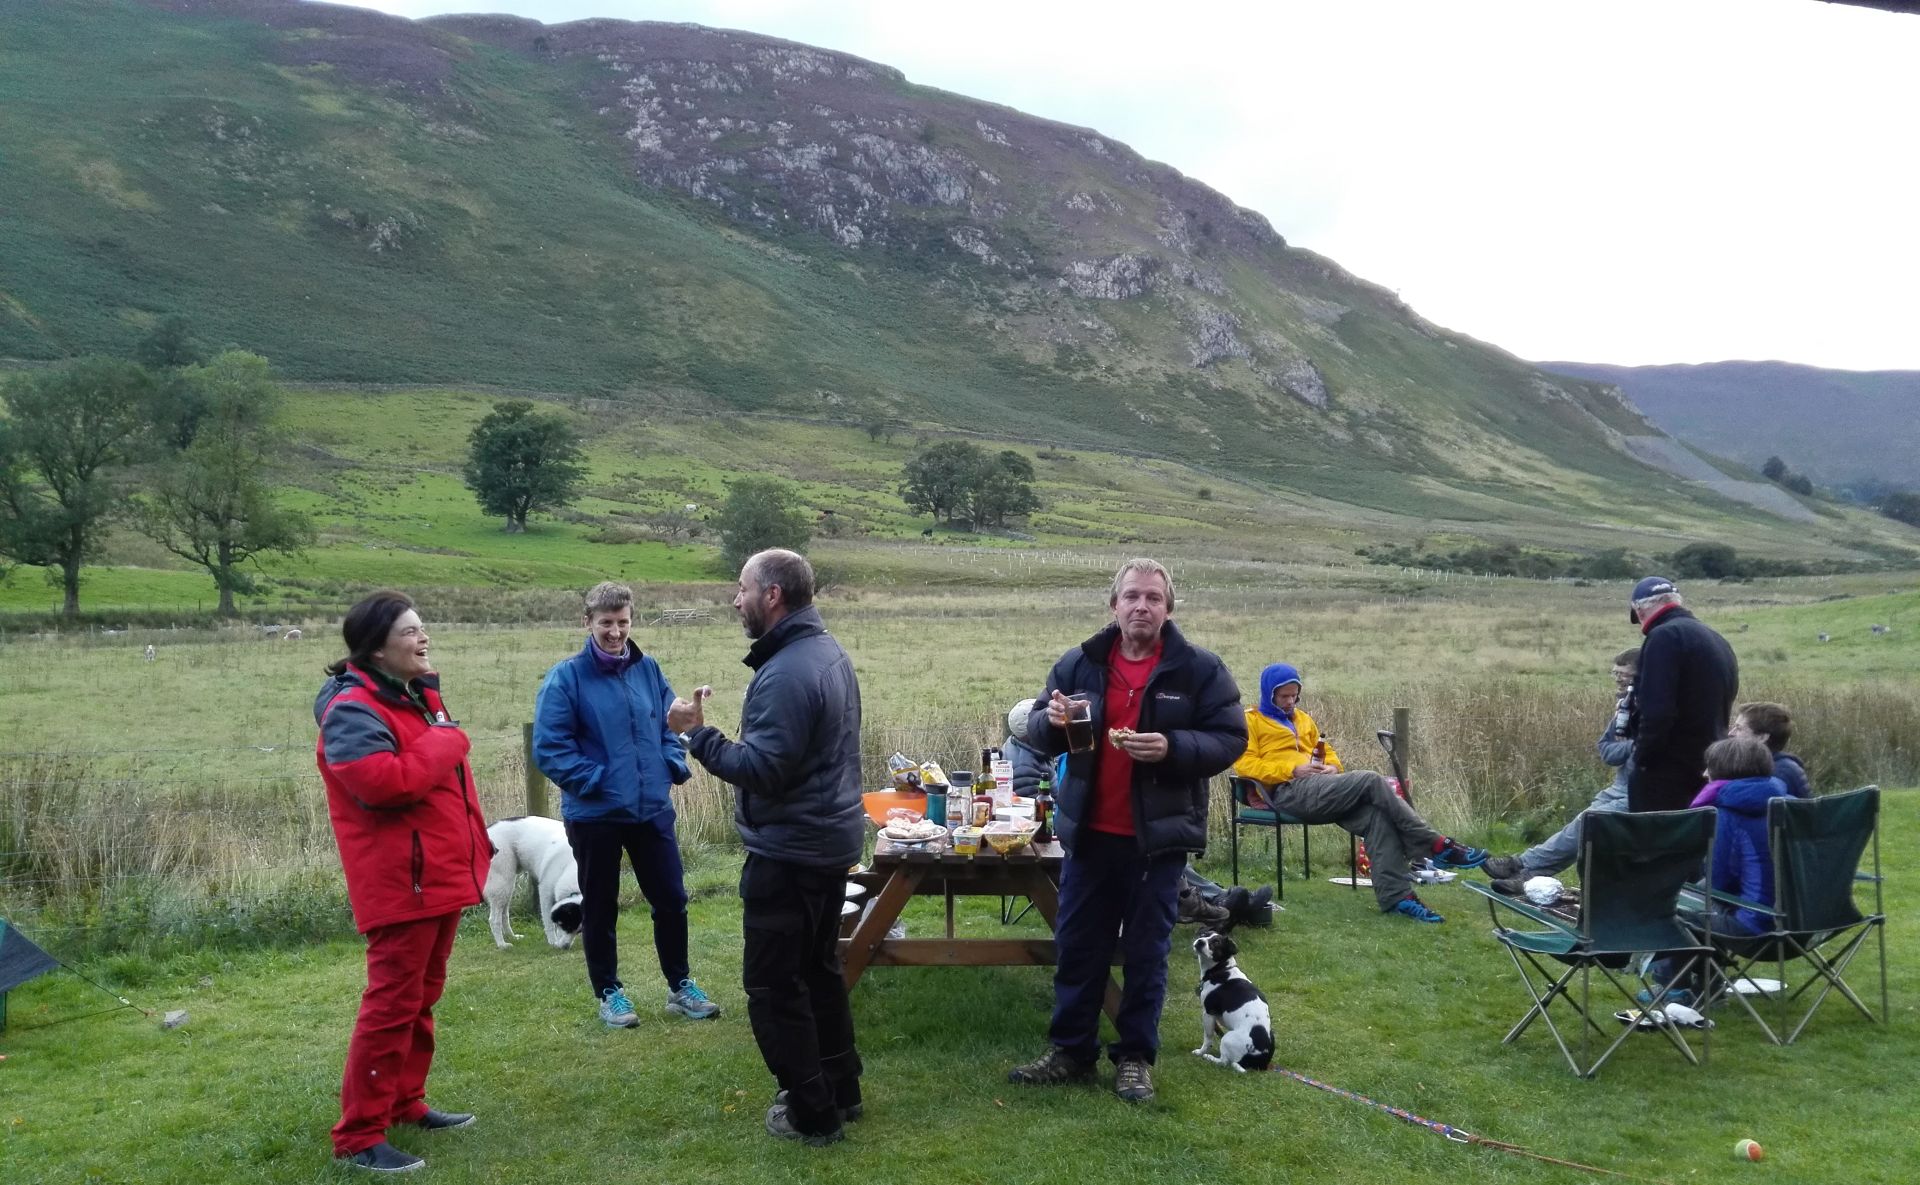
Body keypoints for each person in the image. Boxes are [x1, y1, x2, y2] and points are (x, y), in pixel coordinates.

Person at [1006, 558, 1246, 1104]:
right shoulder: (1079, 663)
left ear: (1168, 608)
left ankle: (1135, 1058)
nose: (1142, 606)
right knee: (1078, 946)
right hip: (1089, 834)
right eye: (1132, 596)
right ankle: (1071, 1051)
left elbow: (1231, 739)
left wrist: (1172, 747)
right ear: (1113, 605)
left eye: (1153, 599)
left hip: (1155, 842)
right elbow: (1039, 730)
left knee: (1145, 953)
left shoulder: (1199, 670)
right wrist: (1054, 722)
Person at [667, 550, 864, 1148]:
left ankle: (813, 1112)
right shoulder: (824, 652)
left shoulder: (788, 671)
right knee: (818, 971)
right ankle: (842, 1090)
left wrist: (695, 734)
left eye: (743, 588)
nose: (735, 599)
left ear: (772, 595)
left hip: (791, 852)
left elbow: (765, 769)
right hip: (826, 843)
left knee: (776, 987)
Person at [315, 591, 490, 1173]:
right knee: (391, 1005)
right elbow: (383, 785)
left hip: (436, 876)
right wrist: (448, 737)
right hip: (400, 884)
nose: (424, 639)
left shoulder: (413, 698)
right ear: (377, 648)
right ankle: (359, 1136)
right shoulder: (351, 711)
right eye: (411, 632)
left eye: (423, 628)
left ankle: (404, 1102)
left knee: (422, 997)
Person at [532, 581, 720, 1028]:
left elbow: (669, 726)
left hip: (650, 809)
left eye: (623, 623)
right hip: (595, 814)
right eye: (606, 624)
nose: (615, 632)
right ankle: (610, 993)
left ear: (631, 621)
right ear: (588, 623)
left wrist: (668, 766)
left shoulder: (648, 669)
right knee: (600, 907)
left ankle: (680, 986)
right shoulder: (566, 678)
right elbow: (550, 748)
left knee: (671, 899)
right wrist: (599, 782)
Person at [1233, 662, 1487, 924]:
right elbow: (1244, 764)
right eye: (1283, 696)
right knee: (1371, 780)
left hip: (1321, 788)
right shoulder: (1252, 720)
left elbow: (1329, 754)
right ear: (1268, 694)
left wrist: (1332, 768)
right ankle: (1435, 845)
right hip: (1287, 792)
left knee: (1377, 817)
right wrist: (1292, 769)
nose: (1290, 701)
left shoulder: (1303, 720)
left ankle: (1398, 898)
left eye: (1293, 695)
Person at [1481, 648, 1640, 893]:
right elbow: (1607, 751)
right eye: (1614, 674)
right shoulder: (1625, 710)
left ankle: (1524, 867)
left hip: (1637, 792)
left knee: (1588, 822)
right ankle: (1526, 869)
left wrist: (1628, 747)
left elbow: (1638, 749)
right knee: (1581, 823)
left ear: (1641, 677)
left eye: (1624, 675)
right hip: (1619, 787)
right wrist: (1630, 747)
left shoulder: (1655, 712)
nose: (1618, 680)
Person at [1644, 736, 1789, 1004]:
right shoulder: (1785, 801)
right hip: (1803, 924)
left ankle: (1674, 986)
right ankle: (1708, 984)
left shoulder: (1727, 815)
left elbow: (1719, 884)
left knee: (1673, 908)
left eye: (1709, 767)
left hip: (1757, 928)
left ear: (1724, 772)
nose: (1703, 774)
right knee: (1702, 899)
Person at [1625, 576, 1739, 813]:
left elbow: (1657, 710)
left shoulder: (1664, 637)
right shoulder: (1715, 637)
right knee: (1697, 841)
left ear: (1640, 609)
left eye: (1638, 617)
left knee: (1657, 843)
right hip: (1709, 762)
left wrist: (1642, 759)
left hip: (1669, 770)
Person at [1728, 702, 1811, 799]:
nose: (1731, 733)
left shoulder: (1778, 774)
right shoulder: (1761, 768)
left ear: (1762, 737)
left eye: (1739, 728)